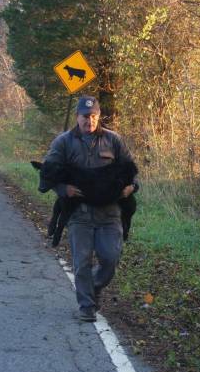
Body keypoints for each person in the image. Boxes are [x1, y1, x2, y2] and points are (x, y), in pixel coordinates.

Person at [43, 96, 138, 322]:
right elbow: (47, 171)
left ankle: (94, 286)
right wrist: (63, 188)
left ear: (99, 116)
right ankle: (86, 306)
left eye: (94, 116)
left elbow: (131, 170)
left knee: (110, 257)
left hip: (110, 212)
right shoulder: (63, 142)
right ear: (77, 117)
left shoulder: (113, 140)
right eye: (85, 117)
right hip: (80, 213)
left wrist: (132, 187)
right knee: (82, 260)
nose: (90, 121)